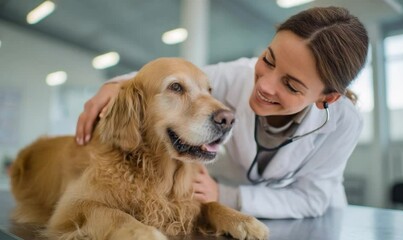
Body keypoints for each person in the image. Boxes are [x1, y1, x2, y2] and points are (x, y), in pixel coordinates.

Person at [75, 6, 369, 219]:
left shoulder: (345, 123)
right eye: (268, 59)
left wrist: (227, 196)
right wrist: (114, 85)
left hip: (307, 222)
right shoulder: (236, 74)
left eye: (290, 85)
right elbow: (168, 78)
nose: (264, 86)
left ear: (326, 97)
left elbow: (310, 199)